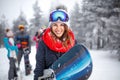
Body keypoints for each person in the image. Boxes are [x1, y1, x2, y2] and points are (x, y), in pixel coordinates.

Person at [34, 6, 76, 80]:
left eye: (62, 25)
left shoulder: (73, 43)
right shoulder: (43, 44)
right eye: (55, 25)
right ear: (51, 26)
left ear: (66, 26)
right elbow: (39, 69)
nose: (58, 28)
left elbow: (76, 67)